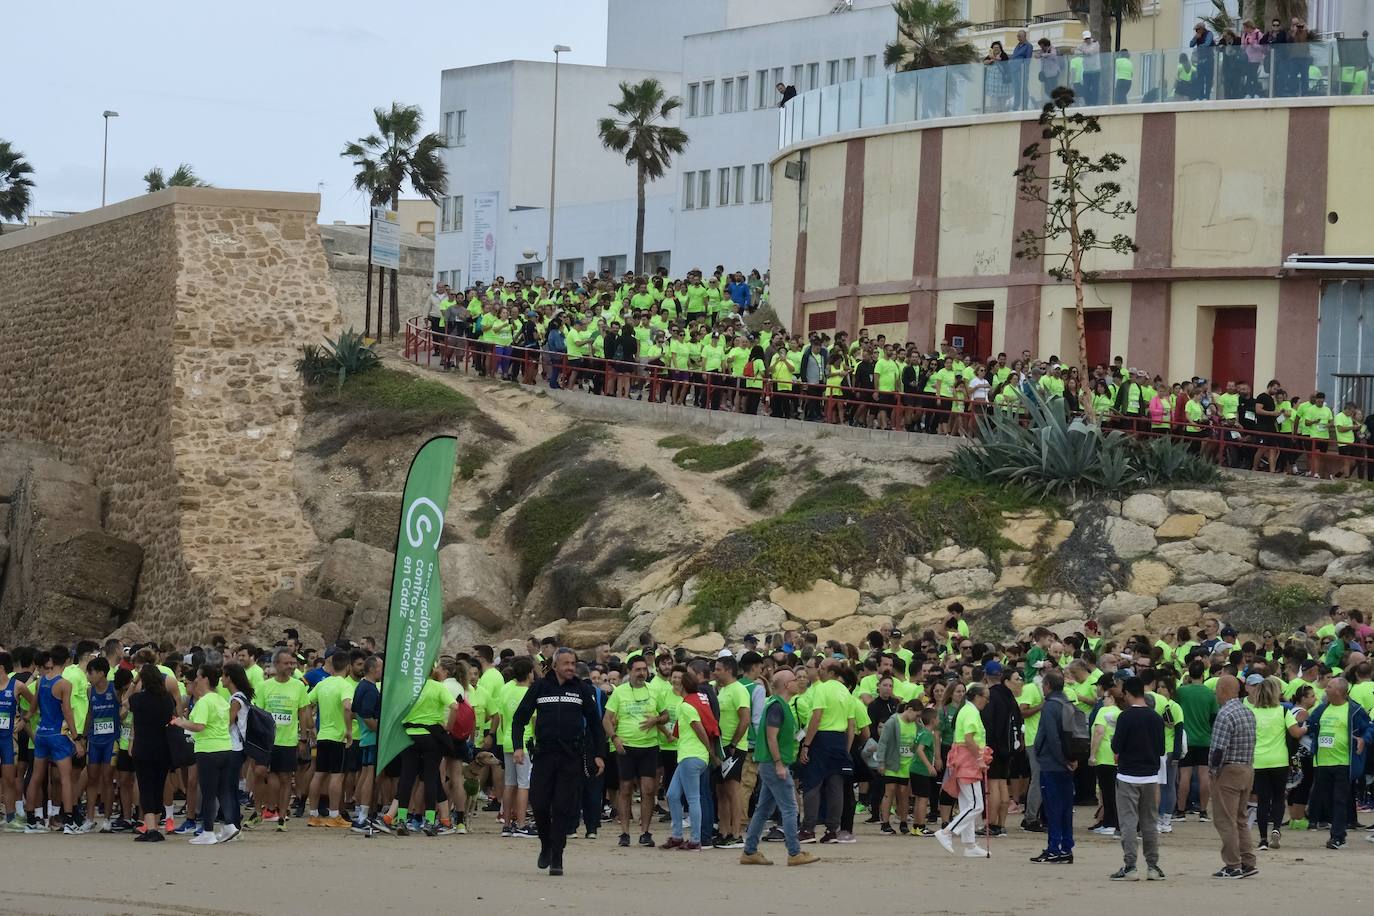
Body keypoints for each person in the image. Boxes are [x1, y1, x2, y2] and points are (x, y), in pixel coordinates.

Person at [511, 647, 606, 877]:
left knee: (563, 807)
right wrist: (518, 747)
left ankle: (557, 857)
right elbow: (519, 718)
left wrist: (599, 754)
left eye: (573, 663)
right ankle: (546, 844)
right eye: (566, 663)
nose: (571, 667)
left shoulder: (581, 689)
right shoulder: (540, 687)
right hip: (544, 755)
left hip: (571, 756)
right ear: (555, 666)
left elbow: (596, 724)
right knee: (540, 804)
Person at [739, 668, 818, 866]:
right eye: (794, 680)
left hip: (770, 763)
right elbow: (771, 737)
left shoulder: (777, 704)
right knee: (790, 808)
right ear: (786, 685)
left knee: (763, 809)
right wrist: (779, 764)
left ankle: (750, 850)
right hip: (774, 764)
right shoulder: (777, 706)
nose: (798, 682)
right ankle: (794, 852)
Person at [1304, 677, 1373, 850]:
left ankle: (1338, 837)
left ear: (1339, 692)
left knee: (1340, 800)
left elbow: (1369, 728)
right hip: (1322, 763)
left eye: (1329, 687)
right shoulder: (1322, 708)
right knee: (1327, 800)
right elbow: (1311, 725)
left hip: (1343, 763)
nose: (1325, 690)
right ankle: (1335, 831)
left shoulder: (1354, 710)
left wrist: (1363, 740)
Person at [604, 654, 664, 848]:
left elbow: (665, 715)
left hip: (649, 747)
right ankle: (625, 833)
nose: (641, 673)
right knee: (625, 789)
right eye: (638, 670)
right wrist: (614, 738)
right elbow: (606, 719)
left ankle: (645, 832)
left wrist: (656, 720)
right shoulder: (619, 692)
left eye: (644, 669)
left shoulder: (654, 691)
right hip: (626, 747)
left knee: (648, 790)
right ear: (629, 671)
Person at [1109, 677, 1166, 881]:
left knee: (1128, 822)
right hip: (1149, 776)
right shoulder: (1155, 717)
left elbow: (1116, 746)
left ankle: (1130, 866)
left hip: (1127, 775)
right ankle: (1152, 865)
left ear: (1127, 693)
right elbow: (1161, 749)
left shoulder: (1125, 717)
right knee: (1150, 822)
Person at [173, 664, 235, 845]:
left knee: (208, 792)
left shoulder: (204, 701)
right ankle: (229, 825)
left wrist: (181, 722)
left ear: (205, 679)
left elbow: (199, 726)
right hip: (225, 748)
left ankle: (208, 831)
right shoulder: (221, 699)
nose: (196, 680)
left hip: (208, 750)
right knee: (222, 790)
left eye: (198, 677)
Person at [1207, 674, 1257, 878]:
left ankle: (1232, 865)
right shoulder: (1247, 712)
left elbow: (1218, 749)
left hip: (1228, 771)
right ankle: (1248, 862)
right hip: (1247, 768)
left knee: (1225, 820)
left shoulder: (1225, 714)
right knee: (1241, 819)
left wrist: (1213, 772)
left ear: (1222, 690)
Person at [935, 681, 989, 858]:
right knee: (976, 805)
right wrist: (979, 759)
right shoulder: (971, 711)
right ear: (977, 697)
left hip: (963, 758)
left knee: (968, 804)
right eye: (986, 697)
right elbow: (968, 739)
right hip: (968, 760)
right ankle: (946, 832)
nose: (987, 701)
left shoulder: (966, 710)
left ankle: (969, 844)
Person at [128, 663, 177, 842]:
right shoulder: (167, 699)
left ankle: (151, 828)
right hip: (163, 747)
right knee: (158, 786)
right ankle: (155, 825)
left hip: (143, 747)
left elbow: (124, 701)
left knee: (146, 787)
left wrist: (134, 682)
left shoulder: (138, 699)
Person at [1031, 670, 1075, 863]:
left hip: (1052, 763)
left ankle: (1053, 849)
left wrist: (1062, 759)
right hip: (1067, 762)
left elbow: (1052, 736)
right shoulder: (1068, 703)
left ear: (1048, 685)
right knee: (1065, 808)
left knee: (1053, 808)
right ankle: (1066, 848)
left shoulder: (1050, 706)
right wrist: (1071, 759)